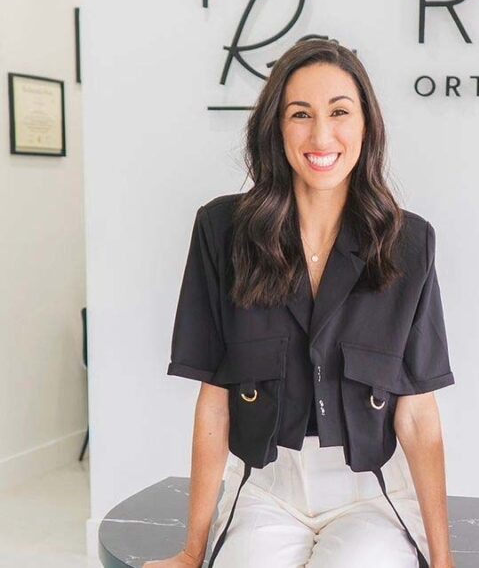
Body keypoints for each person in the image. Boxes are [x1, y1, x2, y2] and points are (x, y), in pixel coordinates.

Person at [144, 38, 456, 568]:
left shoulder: (409, 244)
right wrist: (192, 552)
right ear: (275, 127)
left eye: (339, 112)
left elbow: (419, 417)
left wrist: (444, 562)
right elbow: (214, 405)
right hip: (264, 490)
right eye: (300, 114)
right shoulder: (221, 233)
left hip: (370, 494)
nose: (320, 135)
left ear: (366, 126)